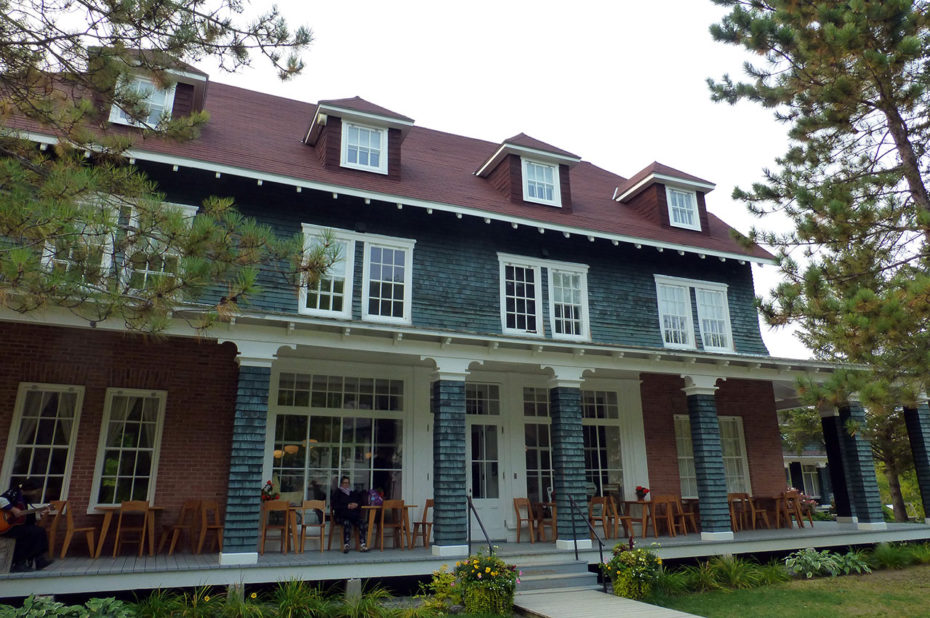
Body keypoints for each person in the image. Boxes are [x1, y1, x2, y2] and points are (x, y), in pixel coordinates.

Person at [0, 479, 53, 572]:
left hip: (14, 525)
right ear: (28, 489)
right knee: (28, 534)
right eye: (35, 491)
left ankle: (39, 559)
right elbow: (1, 499)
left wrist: (39, 513)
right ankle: (19, 563)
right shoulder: (14, 493)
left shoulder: (25, 498)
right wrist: (12, 509)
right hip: (6, 526)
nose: (36, 493)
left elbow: (25, 517)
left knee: (39, 531)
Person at [332, 476, 369, 553]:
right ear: (341, 484)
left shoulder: (353, 492)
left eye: (347, 483)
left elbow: (360, 501)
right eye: (344, 483)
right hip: (342, 515)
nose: (346, 484)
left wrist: (356, 504)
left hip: (353, 515)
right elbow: (335, 505)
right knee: (347, 523)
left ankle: (362, 544)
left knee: (362, 522)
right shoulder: (338, 493)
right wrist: (347, 506)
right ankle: (346, 545)